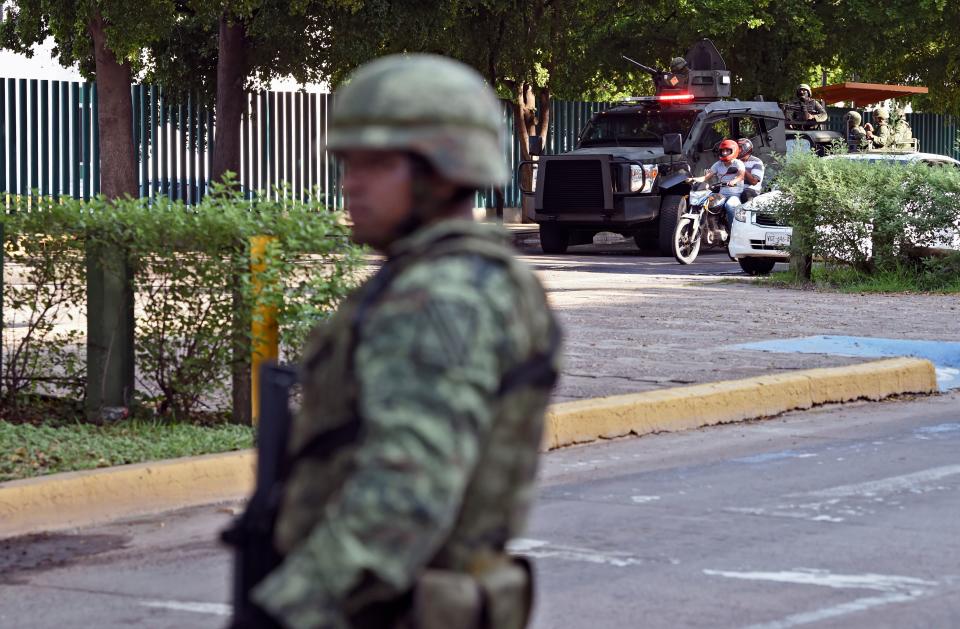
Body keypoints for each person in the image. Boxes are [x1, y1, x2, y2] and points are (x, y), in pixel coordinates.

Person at [237, 54, 562, 629]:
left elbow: (406, 489)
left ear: (441, 171)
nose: (350, 182)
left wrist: (288, 611)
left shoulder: (442, 294)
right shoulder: (457, 276)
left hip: (382, 608)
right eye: (348, 162)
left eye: (376, 163)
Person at [688, 138, 745, 230]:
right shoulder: (718, 164)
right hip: (721, 194)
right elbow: (706, 177)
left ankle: (733, 232)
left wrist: (733, 181)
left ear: (734, 151)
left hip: (734, 195)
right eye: (723, 151)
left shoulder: (738, 163)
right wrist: (693, 179)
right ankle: (707, 227)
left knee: (730, 206)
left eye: (727, 150)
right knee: (703, 201)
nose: (725, 153)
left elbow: (741, 176)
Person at [736, 138, 764, 203]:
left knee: (746, 193)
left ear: (746, 149)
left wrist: (742, 168)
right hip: (736, 189)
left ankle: (747, 213)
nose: (737, 150)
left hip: (751, 191)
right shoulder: (734, 161)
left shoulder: (756, 162)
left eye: (739, 148)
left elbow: (754, 182)